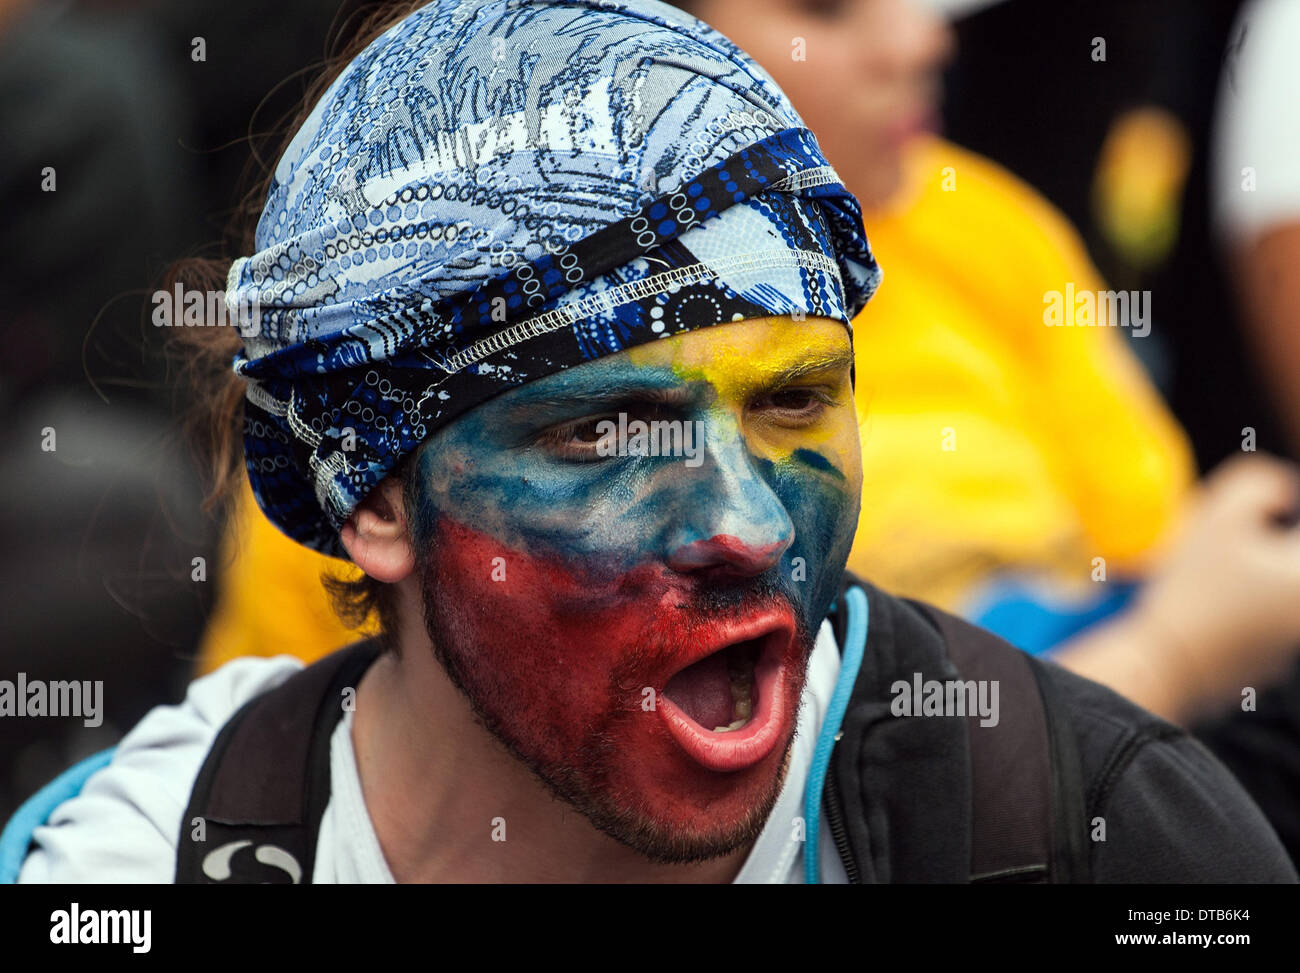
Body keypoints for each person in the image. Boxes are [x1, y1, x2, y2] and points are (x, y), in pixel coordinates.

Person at [12, 0, 1293, 883]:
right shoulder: (133, 861)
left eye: (794, 403)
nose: (744, 524)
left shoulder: (1106, 830)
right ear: (377, 496)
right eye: (608, 435)